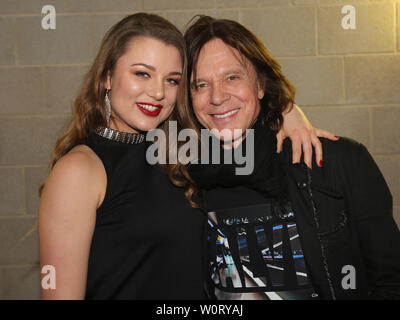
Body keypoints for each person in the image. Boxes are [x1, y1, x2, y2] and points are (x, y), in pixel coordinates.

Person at [38, 13, 335, 300]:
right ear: (107, 77)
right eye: (142, 73)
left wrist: (286, 112)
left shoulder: (180, 150)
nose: (157, 92)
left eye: (172, 80)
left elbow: (242, 132)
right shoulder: (80, 168)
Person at [169, 15, 400, 300]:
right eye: (201, 85)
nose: (217, 97)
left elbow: (391, 283)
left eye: (232, 77)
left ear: (261, 85)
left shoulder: (340, 162)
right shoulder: (182, 181)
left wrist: (287, 108)